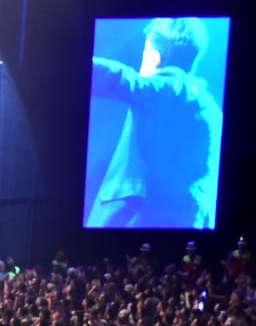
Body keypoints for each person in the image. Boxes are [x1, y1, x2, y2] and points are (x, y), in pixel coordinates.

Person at [87, 17, 222, 230]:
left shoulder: (167, 88)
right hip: (194, 221)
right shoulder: (211, 109)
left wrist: (73, 61)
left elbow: (123, 78)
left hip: (138, 220)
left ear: (154, 57)